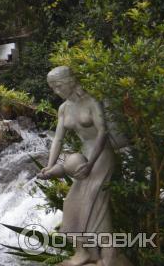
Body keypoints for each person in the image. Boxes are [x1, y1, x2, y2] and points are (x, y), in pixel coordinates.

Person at [38, 66, 132, 266]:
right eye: (53, 88)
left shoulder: (91, 102)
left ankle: (107, 254)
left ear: (70, 80)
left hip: (100, 157)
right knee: (73, 203)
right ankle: (88, 252)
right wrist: (49, 165)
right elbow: (58, 139)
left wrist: (90, 164)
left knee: (95, 203)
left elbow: (103, 133)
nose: (56, 91)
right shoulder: (64, 108)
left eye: (58, 85)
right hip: (83, 158)